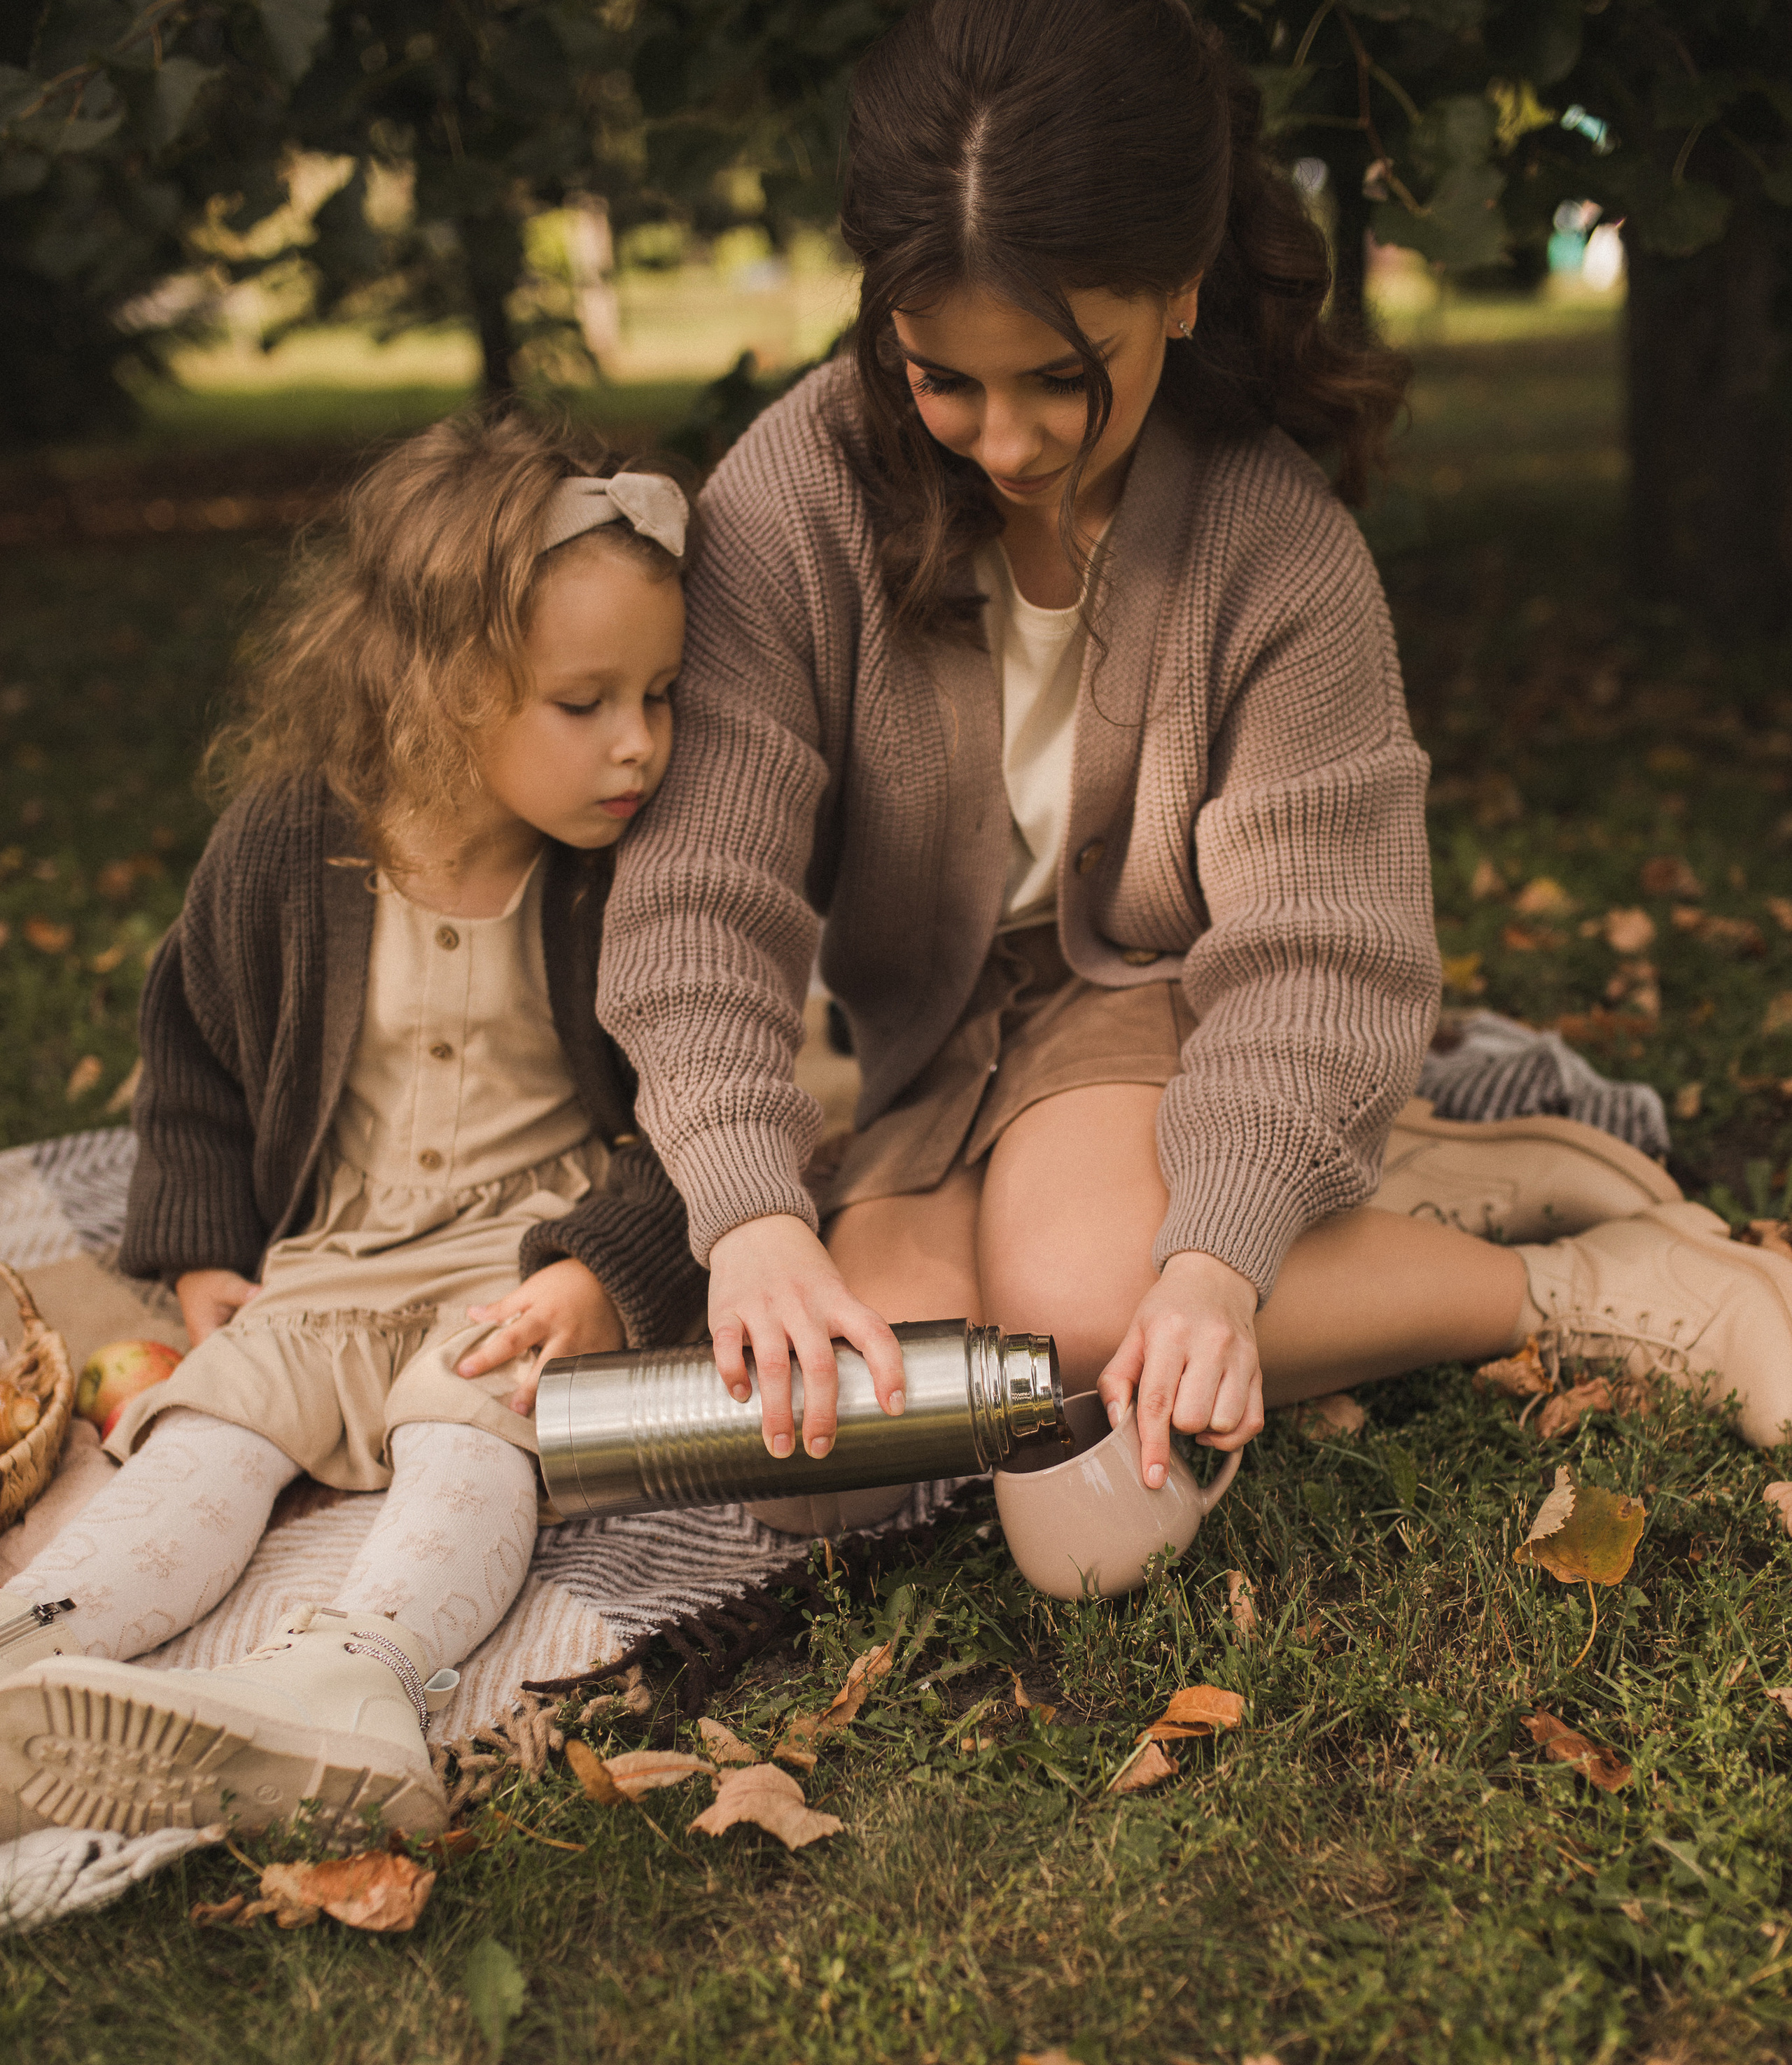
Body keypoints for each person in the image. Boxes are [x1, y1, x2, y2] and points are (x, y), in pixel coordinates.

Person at [596, 0, 1792, 1524]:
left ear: (1177, 289)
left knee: (1087, 1309)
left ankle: (1588, 1286)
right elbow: (699, 892)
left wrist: (1217, 1257)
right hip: (936, 1041)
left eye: (1060, 376)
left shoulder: (1275, 547)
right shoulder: (792, 496)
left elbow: (1317, 947)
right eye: (943, 379)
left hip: (1169, 989)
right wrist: (749, 1217)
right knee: (820, 1445)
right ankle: (1410, 1173)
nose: (1005, 442)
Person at [0, 413, 704, 1841]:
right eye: (584, 703)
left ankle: (356, 1682)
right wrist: (206, 1250)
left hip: (520, 1264)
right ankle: (34, 1649)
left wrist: (599, 1272)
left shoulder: (635, 870)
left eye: (661, 694)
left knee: (474, 1439)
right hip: (333, 1256)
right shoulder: (287, 845)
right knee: (204, 1439)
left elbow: (705, 1106)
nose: (638, 743)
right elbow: (193, 1054)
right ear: (442, 688)